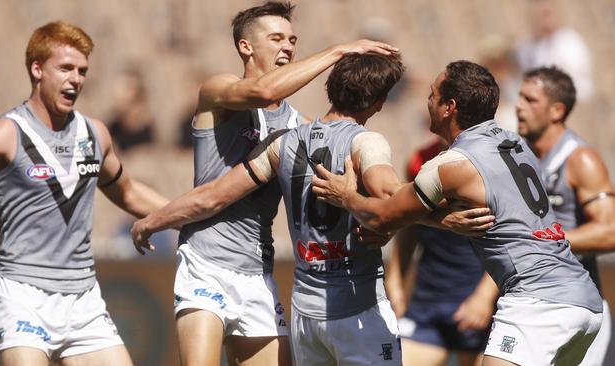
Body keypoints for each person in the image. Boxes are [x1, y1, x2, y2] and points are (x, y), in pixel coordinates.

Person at [132, 52, 494, 366]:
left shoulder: (284, 144)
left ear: (330, 88)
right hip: (358, 309)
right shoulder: (366, 143)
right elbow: (390, 193)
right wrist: (447, 220)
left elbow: (211, 197)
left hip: (307, 313)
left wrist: (153, 221)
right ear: (379, 103)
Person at [131, 2, 400, 365]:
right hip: (206, 264)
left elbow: (334, 191)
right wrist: (339, 50)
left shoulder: (296, 130)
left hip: (257, 270)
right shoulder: (218, 92)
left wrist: (374, 221)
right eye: (276, 38)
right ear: (246, 46)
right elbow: (213, 194)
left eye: (292, 39)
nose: (287, 46)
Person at [312, 60, 603, 365]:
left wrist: (347, 197)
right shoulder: (516, 145)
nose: (427, 102)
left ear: (449, 107)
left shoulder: (452, 164)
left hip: (537, 301)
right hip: (583, 301)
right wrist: (444, 220)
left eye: (432, 95)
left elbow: (384, 217)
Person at [0, 21, 168, 365]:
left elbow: (128, 192)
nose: (76, 79)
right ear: (37, 69)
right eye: (66, 68)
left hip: (83, 299)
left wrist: (190, 215)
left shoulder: (95, 134)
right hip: (23, 295)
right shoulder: (2, 134)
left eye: (82, 71)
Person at [516, 66, 615, 365]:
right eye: (519, 97)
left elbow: (610, 230)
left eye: (530, 100)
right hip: (526, 303)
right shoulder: (518, 156)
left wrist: (543, 240)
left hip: (575, 308)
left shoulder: (580, 158)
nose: (519, 106)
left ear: (557, 110)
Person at [385, 137, 498, 366]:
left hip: (475, 303)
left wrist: (485, 296)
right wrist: (395, 280)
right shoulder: (420, 160)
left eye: (435, 99)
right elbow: (409, 226)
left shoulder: (494, 164)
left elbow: (511, 240)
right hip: (428, 302)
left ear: (451, 107)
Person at [516, 0, 593, 100]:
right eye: (539, 16)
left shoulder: (569, 40)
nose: (543, 20)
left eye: (546, 14)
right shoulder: (527, 48)